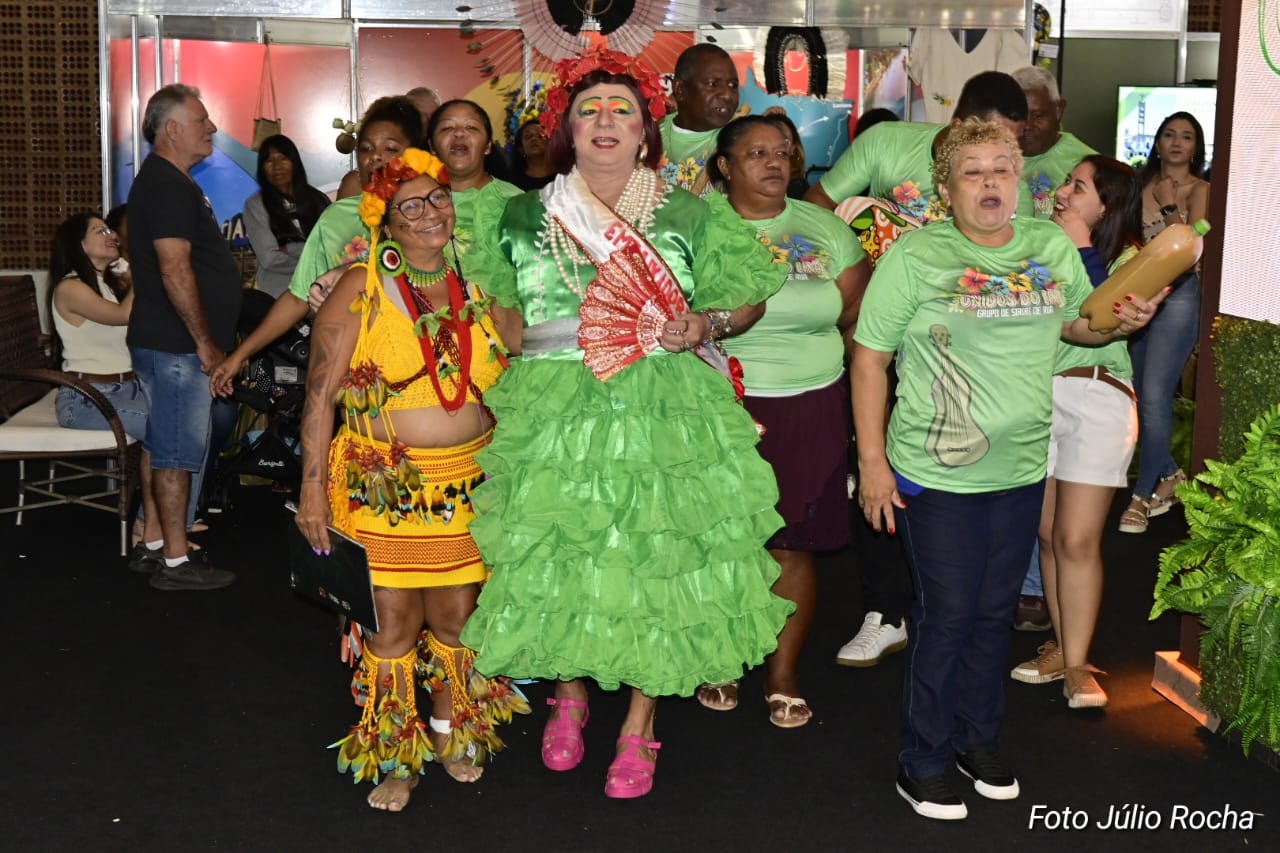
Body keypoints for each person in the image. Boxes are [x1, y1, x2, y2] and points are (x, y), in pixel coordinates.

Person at [458, 47, 794, 799]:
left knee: (652, 555)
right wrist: (512, 360)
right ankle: (569, 692)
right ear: (567, 129)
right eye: (589, 110)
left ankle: (641, 721)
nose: (605, 121)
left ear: (646, 130)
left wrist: (705, 324)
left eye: (622, 110)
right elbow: (502, 307)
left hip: (661, 404)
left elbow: (748, 297)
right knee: (560, 548)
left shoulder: (686, 211)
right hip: (555, 406)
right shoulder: (518, 213)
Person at [852, 118, 1163, 820]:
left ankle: (977, 739)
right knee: (948, 615)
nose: (990, 181)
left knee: (994, 615)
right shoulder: (917, 255)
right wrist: (871, 462)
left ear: (1019, 180)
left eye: (1002, 168)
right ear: (946, 188)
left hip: (1022, 467)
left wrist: (1122, 321)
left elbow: (1076, 326)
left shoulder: (1047, 244)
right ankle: (923, 759)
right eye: (973, 171)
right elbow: (869, 357)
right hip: (936, 472)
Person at [295, 147, 529, 812]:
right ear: (386, 220)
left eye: (438, 198)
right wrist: (311, 491)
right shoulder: (360, 286)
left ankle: (452, 734)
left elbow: (529, 346)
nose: (430, 213)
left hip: (466, 483)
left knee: (457, 618)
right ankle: (400, 755)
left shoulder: (477, 283)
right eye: (411, 205)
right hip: (383, 484)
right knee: (391, 627)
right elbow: (319, 397)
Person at [695, 115, 870, 726]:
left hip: (810, 401)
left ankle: (783, 675)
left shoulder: (823, 228)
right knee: (722, 538)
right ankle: (721, 656)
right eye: (756, 153)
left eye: (783, 152)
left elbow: (855, 308)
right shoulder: (696, 226)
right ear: (724, 166)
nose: (774, 162)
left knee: (793, 541)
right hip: (719, 402)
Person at [1011, 155, 1143, 709]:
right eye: (1067, 182)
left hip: (1097, 395)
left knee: (1076, 539)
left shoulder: (1134, 257)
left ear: (1106, 206)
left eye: (1078, 186)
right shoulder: (1041, 244)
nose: (1063, 192)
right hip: (1038, 395)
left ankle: (1078, 667)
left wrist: (1081, 245)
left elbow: (1103, 313)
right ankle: (1066, 651)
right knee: (1046, 535)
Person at [209, 96, 421, 398]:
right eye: (365, 149)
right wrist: (240, 355)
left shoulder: (434, 214)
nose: (375, 157)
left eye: (390, 148)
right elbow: (298, 297)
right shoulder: (336, 218)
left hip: (422, 361)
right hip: (356, 369)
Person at [126, 84, 240, 591]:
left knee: (160, 442)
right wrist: (205, 342)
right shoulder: (168, 186)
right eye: (202, 120)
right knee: (175, 451)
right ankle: (176, 560)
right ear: (172, 129)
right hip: (176, 344)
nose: (212, 128)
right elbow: (175, 269)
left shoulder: (165, 180)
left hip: (165, 340)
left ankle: (153, 542)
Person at [1119, 111, 1210, 535]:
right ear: (1157, 143)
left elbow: (1193, 246)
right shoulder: (1138, 186)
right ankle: (1171, 474)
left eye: (1187, 136)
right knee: (1137, 395)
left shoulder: (1202, 190)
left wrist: (1171, 204)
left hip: (1180, 295)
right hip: (1137, 293)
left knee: (1155, 396)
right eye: (1169, 134)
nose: (1177, 142)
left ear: (1196, 147)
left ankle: (1141, 496)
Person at [804, 70, 1030, 222]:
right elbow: (818, 202)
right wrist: (851, 255)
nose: (1006, 152)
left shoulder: (1016, 190)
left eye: (1013, 142)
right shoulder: (885, 141)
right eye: (991, 138)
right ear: (958, 127)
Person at [425, 99, 522, 260]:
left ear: (488, 146)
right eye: (447, 127)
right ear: (432, 146)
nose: (459, 133)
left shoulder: (516, 202)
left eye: (471, 127)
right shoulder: (412, 201)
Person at [241, 134, 330, 297]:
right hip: (280, 295)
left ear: (295, 162)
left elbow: (332, 249)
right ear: (262, 168)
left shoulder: (318, 199)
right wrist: (314, 255)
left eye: (283, 158)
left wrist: (290, 248)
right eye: (269, 161)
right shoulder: (256, 205)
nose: (277, 167)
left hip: (323, 292)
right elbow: (269, 259)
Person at [1010, 66, 1096, 219]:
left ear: (1058, 110)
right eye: (1018, 116)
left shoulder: (1089, 165)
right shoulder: (991, 160)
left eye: (1038, 116)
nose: (1028, 126)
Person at [658, 43, 740, 194]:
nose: (727, 95)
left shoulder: (741, 141)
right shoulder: (648, 137)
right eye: (713, 84)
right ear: (680, 90)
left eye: (733, 85)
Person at [335, 87, 440, 200]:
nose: (426, 122)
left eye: (433, 117)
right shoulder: (355, 184)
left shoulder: (439, 176)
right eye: (366, 148)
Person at [509, 118, 554, 191]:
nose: (534, 139)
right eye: (528, 136)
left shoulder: (563, 175)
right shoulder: (512, 181)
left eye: (540, 136)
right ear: (521, 149)